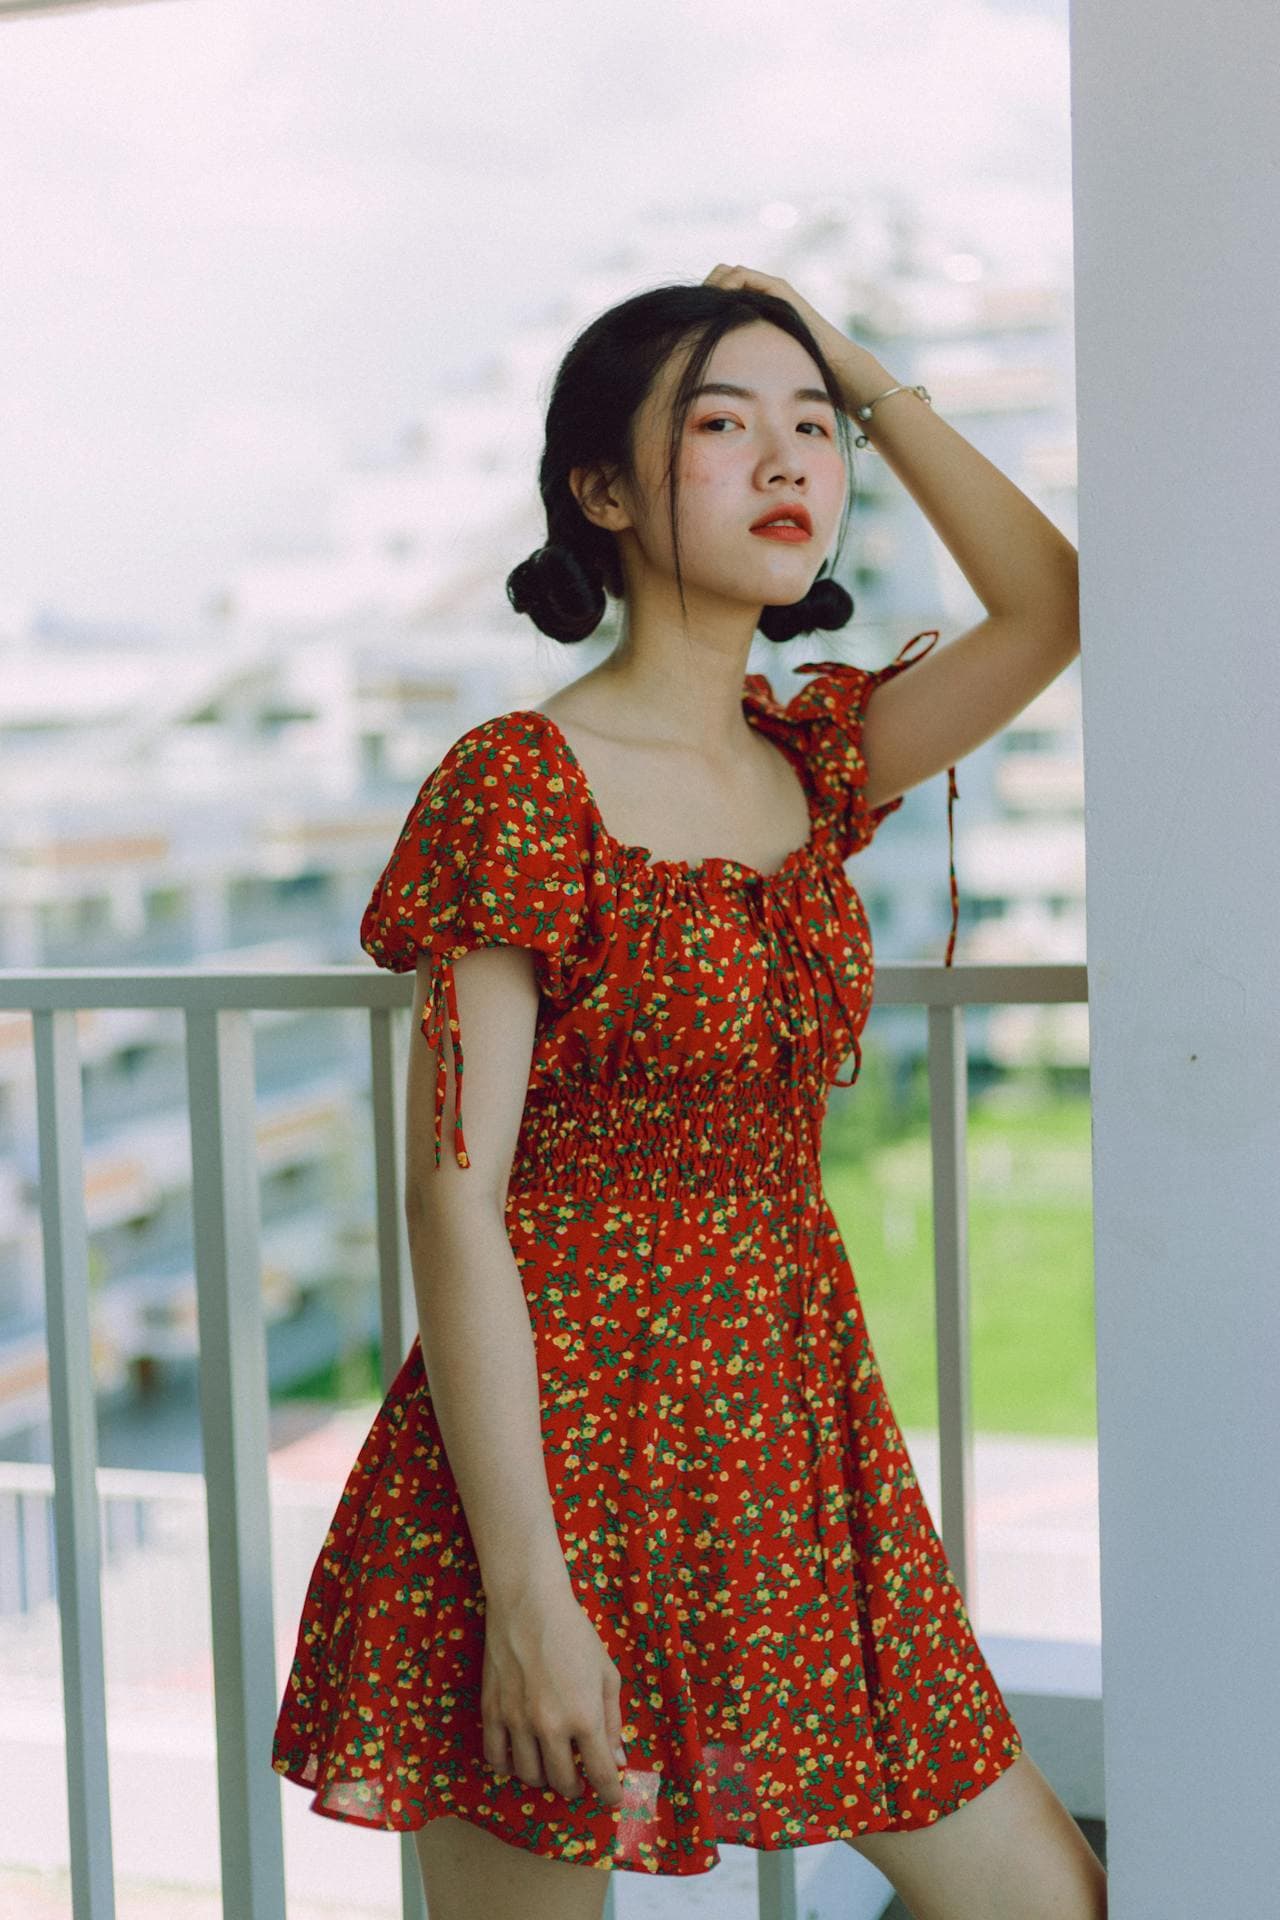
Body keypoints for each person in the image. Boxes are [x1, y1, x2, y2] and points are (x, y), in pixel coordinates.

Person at [272, 264, 1103, 1920]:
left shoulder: (813, 763)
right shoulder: (519, 785)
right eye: (723, 426)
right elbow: (454, 1194)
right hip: (546, 1470)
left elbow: (1051, 608)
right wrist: (528, 1595)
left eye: (812, 429)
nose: (789, 460)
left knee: (1045, 1893)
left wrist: (855, 366)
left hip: (789, 1446)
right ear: (601, 488)